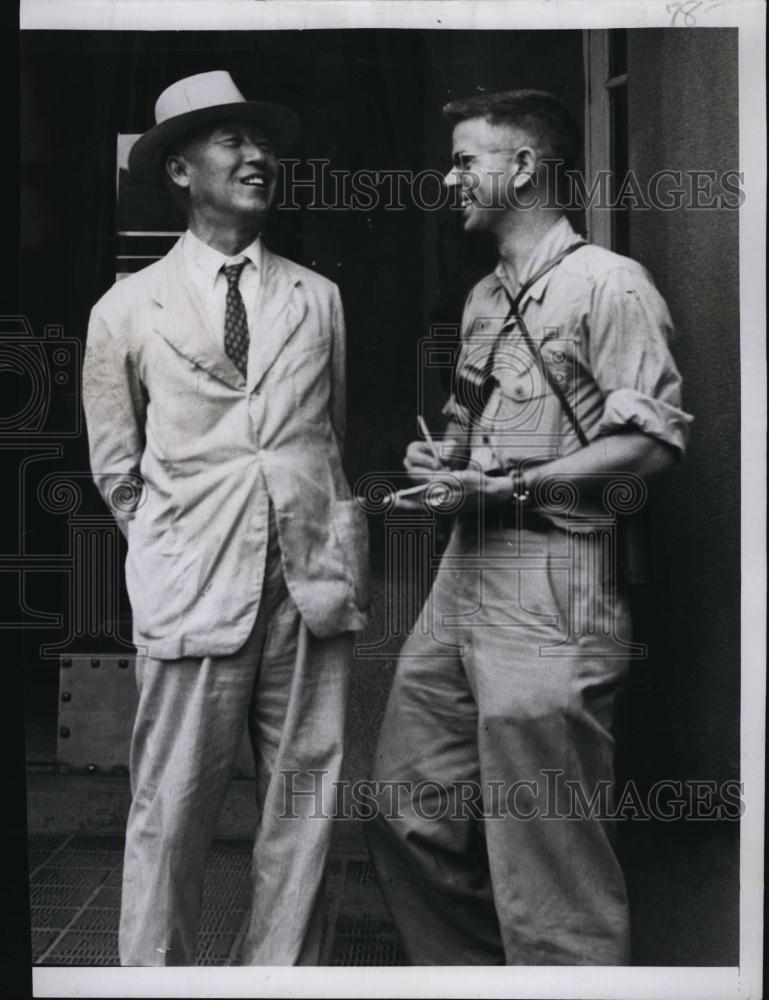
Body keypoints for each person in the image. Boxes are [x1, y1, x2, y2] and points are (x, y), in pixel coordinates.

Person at [365, 89, 692, 965]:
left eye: (467, 160)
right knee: (407, 807)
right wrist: (441, 465)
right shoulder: (482, 300)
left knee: (544, 857)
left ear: (525, 168)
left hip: (555, 579)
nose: (450, 178)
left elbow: (650, 445)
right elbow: (468, 433)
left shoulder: (607, 285)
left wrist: (509, 482)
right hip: (464, 575)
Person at [82, 70, 369, 966]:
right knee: (170, 810)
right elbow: (116, 468)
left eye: (263, 143)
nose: (258, 157)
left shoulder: (316, 296)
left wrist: (299, 531)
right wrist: (175, 546)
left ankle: (280, 981)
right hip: (192, 587)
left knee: (306, 811)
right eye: (233, 142)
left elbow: (327, 436)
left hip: (308, 585)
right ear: (179, 170)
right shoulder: (126, 308)